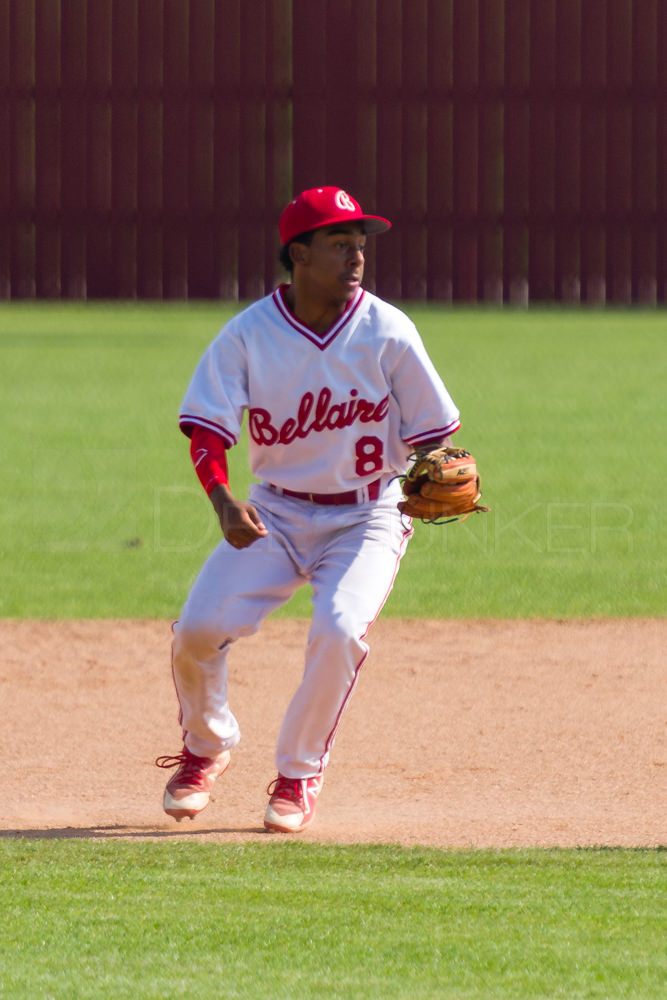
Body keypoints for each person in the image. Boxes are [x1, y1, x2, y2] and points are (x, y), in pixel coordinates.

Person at [156, 186, 461, 833]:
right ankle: (206, 748)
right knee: (196, 631)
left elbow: (435, 430)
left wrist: (440, 460)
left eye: (360, 244)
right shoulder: (248, 335)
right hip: (276, 511)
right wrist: (222, 500)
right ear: (298, 253)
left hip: (369, 512)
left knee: (340, 627)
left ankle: (297, 773)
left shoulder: (387, 329)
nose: (356, 256)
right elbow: (207, 431)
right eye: (338, 243)